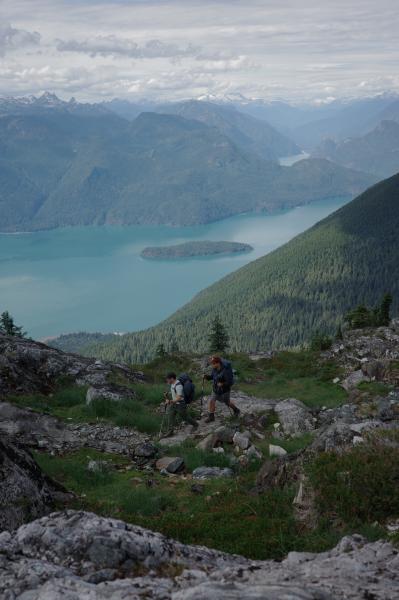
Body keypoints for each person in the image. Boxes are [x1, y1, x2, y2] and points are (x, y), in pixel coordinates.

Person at [203, 355, 240, 423]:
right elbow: (212, 377)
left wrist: (223, 384)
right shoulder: (214, 369)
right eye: (212, 363)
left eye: (213, 363)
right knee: (211, 401)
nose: (212, 365)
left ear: (218, 363)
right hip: (215, 389)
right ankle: (211, 417)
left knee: (227, 402)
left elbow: (230, 382)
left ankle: (236, 410)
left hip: (224, 391)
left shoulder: (226, 371)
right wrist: (207, 377)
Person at [163, 372, 199, 436]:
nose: (167, 380)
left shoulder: (179, 385)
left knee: (185, 417)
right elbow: (175, 392)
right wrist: (168, 394)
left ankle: (195, 424)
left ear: (171, 379)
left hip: (180, 404)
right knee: (170, 416)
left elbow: (179, 397)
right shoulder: (172, 384)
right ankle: (170, 431)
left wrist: (170, 401)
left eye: (167, 379)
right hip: (174, 404)